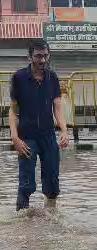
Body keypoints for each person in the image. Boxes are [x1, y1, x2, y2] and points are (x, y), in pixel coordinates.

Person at [8, 39, 70, 211]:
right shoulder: (19, 78)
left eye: (45, 56)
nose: (42, 60)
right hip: (26, 137)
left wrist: (64, 130)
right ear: (30, 57)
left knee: (52, 182)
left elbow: (57, 106)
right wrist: (15, 138)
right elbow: (13, 110)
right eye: (38, 56)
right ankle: (22, 223)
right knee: (26, 183)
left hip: (48, 136)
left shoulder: (52, 78)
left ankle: (50, 218)